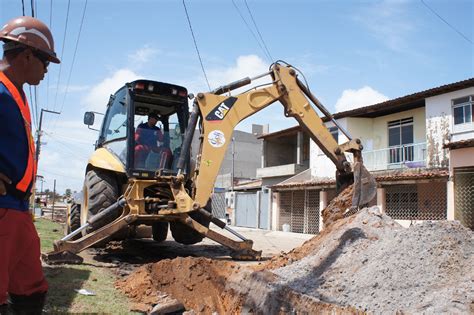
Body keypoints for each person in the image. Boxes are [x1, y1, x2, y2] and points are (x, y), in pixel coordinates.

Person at [0, 16, 60, 314]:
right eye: (45, 61)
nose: (47, 69)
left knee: (31, 288)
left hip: (17, 210)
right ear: (26, 55)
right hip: (2, 208)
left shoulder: (15, 91)